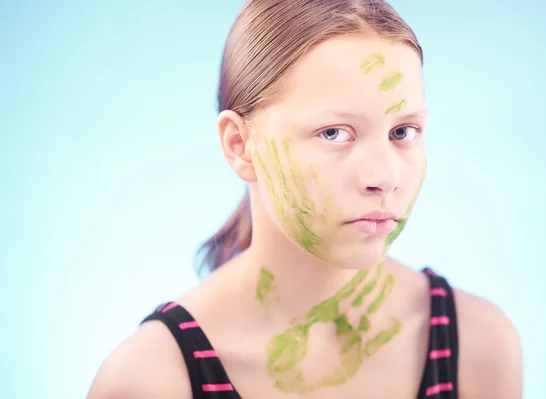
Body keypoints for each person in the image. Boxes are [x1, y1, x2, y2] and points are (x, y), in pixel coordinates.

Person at [87, 0, 522, 398]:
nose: (385, 177)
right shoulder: (151, 380)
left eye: (402, 132)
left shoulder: (479, 345)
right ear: (239, 144)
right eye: (334, 133)